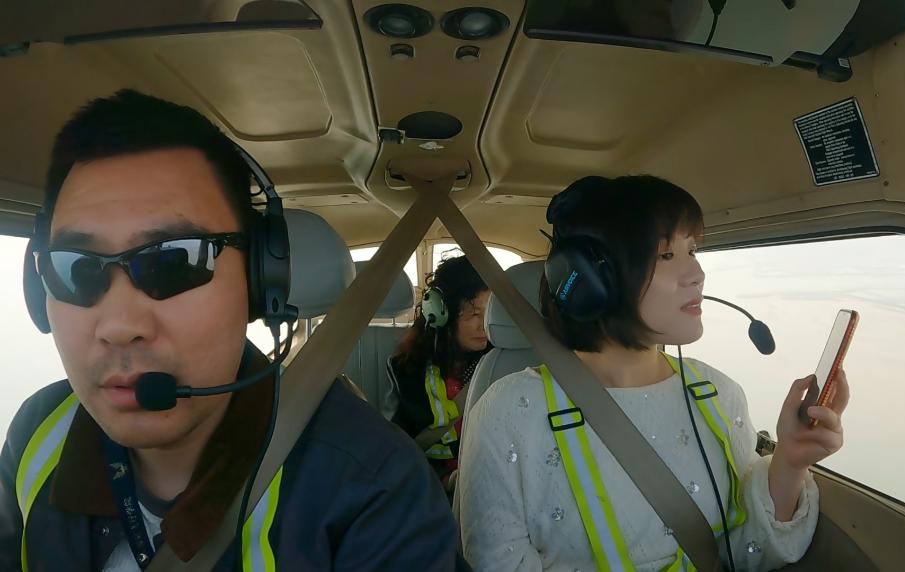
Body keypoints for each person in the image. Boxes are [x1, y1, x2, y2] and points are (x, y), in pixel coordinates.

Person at [0, 90, 460, 571]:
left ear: (258, 282)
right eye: (76, 267)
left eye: (173, 261)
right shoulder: (40, 433)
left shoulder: (375, 485)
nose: (119, 326)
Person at [457, 175, 850, 571]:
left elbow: (744, 551)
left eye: (692, 250)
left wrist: (790, 460)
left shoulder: (716, 393)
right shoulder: (509, 413)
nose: (696, 273)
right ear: (592, 279)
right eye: (665, 255)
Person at [389, 255, 492, 489]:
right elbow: (398, 450)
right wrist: (442, 479)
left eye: (489, 313)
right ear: (441, 311)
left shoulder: (502, 363)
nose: (484, 325)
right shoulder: (407, 371)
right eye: (474, 314)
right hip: (428, 489)